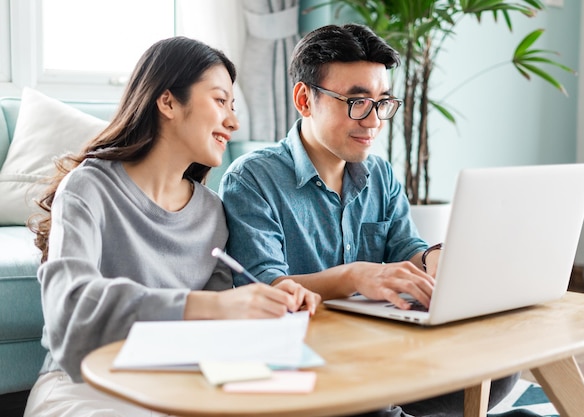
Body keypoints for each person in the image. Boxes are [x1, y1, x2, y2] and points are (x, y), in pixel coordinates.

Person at [219, 24, 519, 417]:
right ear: (304, 99)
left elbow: (406, 248)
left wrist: (434, 260)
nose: (374, 120)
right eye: (357, 102)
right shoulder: (251, 179)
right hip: (304, 363)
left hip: (378, 350)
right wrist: (354, 276)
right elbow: (266, 288)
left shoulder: (380, 175)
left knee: (499, 369)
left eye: (382, 102)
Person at [24, 36, 320, 417]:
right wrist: (209, 305)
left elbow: (212, 333)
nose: (233, 121)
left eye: (233, 106)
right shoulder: (88, 187)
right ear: (167, 101)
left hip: (175, 384)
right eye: (219, 101)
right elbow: (72, 313)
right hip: (84, 384)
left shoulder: (211, 212)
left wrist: (271, 314)